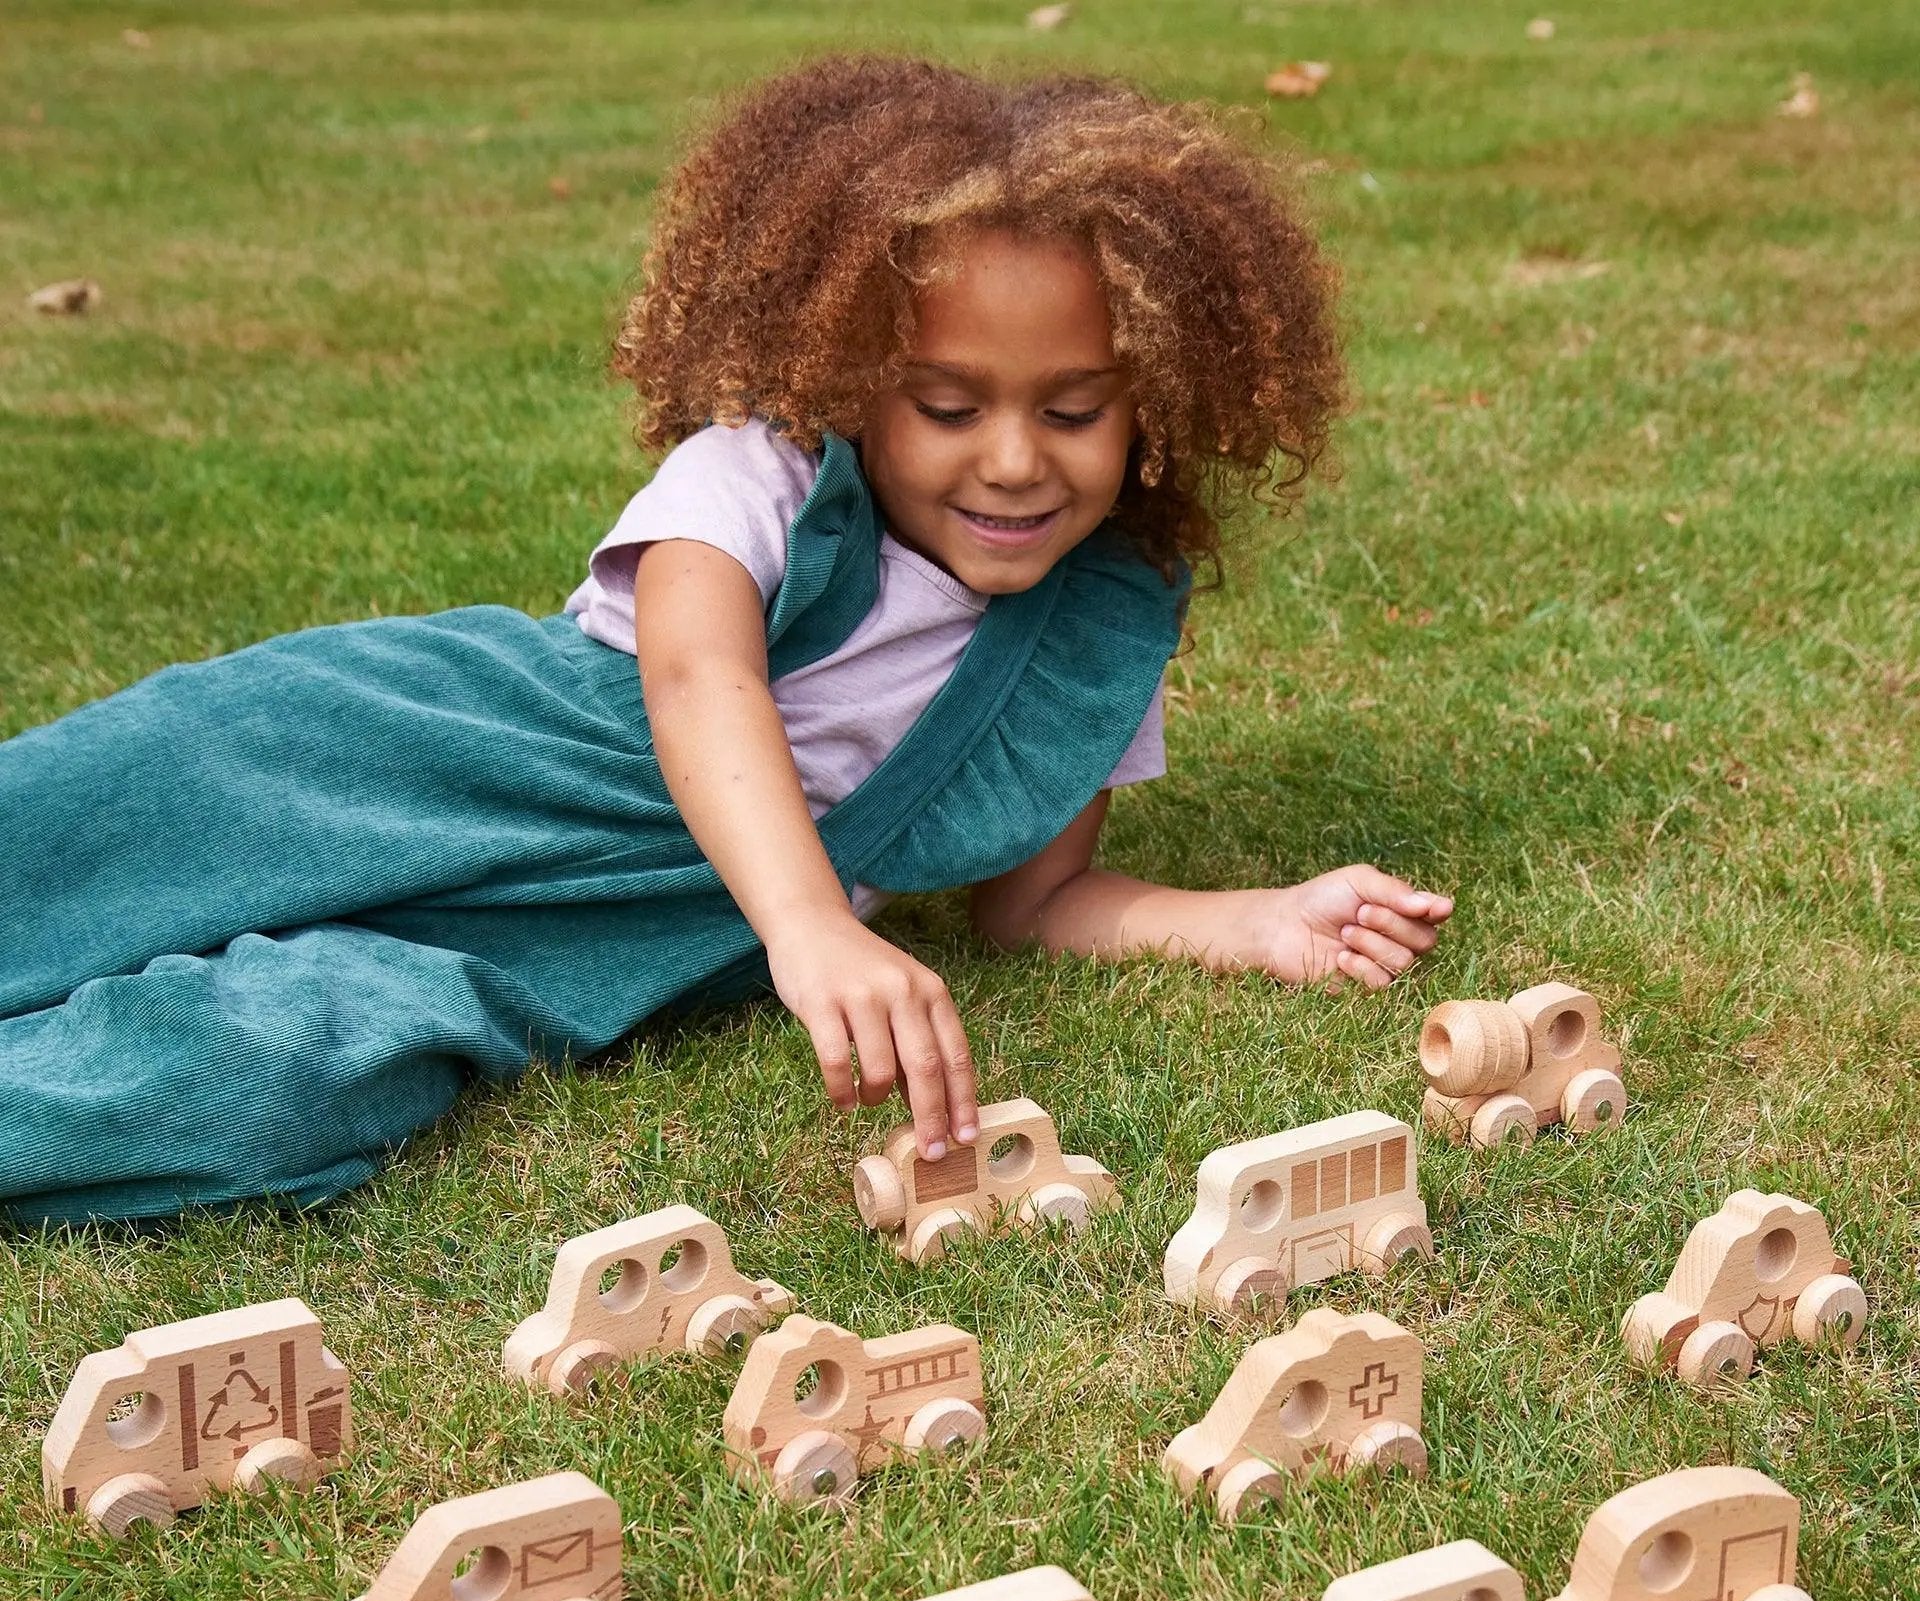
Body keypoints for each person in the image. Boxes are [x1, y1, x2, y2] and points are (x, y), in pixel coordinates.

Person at [0, 56, 1451, 1227]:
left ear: (1152, 405)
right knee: (94, 828)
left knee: (277, 1085)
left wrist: (1250, 921)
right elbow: (700, 676)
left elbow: (1034, 905)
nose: (1014, 459)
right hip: (418, 755)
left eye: (1072, 410)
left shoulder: (1096, 621)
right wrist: (811, 922)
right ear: (854, 382)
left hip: (559, 950)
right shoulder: (754, 472)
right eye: (948, 406)